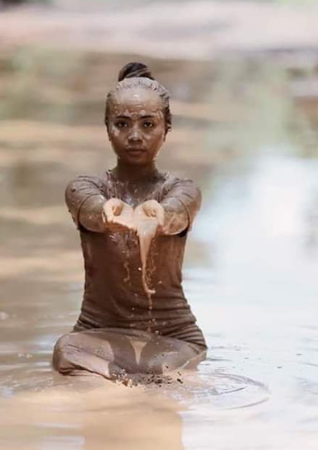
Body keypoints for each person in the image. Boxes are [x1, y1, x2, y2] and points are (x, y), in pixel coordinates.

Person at [53, 62, 207, 381]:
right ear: (107, 126)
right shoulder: (85, 188)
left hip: (173, 338)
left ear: (167, 128)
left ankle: (130, 389)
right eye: (122, 124)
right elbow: (91, 211)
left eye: (148, 124)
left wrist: (160, 217)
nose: (135, 136)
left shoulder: (182, 190)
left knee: (162, 369)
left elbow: (178, 213)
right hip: (98, 335)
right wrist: (109, 214)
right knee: (66, 350)